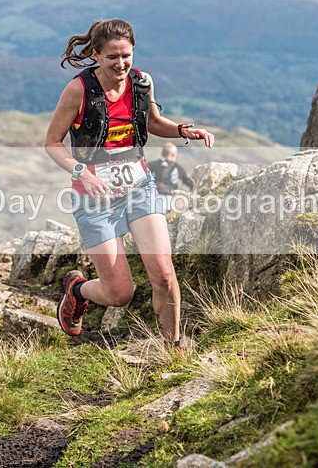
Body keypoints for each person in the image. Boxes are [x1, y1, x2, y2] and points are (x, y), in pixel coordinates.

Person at [44, 18, 214, 347]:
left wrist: (182, 130)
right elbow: (52, 142)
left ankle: (173, 350)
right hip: (94, 196)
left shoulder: (141, 82)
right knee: (120, 293)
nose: (121, 64)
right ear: (95, 55)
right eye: (112, 57)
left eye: (127, 56)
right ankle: (76, 290)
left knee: (164, 274)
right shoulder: (78, 90)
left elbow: (153, 122)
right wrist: (80, 171)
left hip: (139, 187)